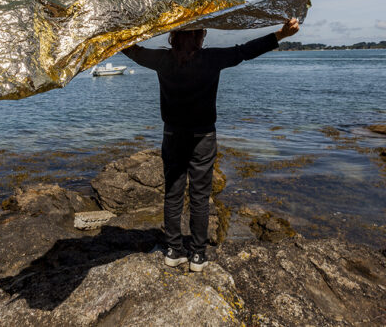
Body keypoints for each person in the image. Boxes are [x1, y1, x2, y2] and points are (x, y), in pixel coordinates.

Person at [121, 18, 300, 272]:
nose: (205, 35)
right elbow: (245, 51)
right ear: (199, 36)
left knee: (173, 194)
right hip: (203, 136)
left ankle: (173, 250)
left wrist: (109, 36)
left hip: (173, 135)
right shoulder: (211, 58)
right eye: (203, 32)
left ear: (175, 36)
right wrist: (280, 35)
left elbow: (133, 51)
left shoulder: (162, 59)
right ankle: (197, 255)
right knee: (200, 196)